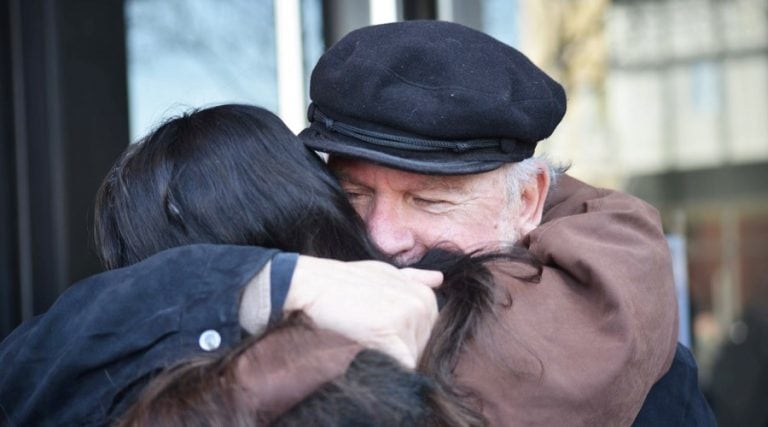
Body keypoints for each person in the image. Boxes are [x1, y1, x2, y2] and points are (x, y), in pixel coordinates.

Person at [297, 20, 713, 425]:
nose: (382, 237)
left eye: (428, 200)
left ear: (527, 201)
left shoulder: (652, 389)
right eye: (353, 195)